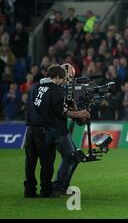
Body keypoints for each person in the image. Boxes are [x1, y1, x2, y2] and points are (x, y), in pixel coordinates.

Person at [24, 65, 89, 198]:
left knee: (30, 162)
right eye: (63, 79)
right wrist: (78, 114)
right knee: (47, 163)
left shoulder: (34, 88)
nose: (63, 82)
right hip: (45, 131)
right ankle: (46, 191)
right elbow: (61, 112)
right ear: (58, 77)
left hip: (30, 130)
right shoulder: (55, 90)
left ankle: (29, 191)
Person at [52, 63, 90, 194]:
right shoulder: (56, 90)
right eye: (70, 76)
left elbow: (73, 112)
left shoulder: (65, 91)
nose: (70, 80)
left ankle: (62, 186)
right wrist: (78, 114)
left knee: (75, 157)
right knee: (70, 156)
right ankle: (58, 186)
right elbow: (65, 111)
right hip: (56, 130)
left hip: (61, 130)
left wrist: (82, 114)